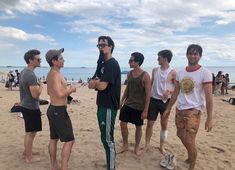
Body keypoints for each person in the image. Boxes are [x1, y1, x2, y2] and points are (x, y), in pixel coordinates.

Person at [163, 44, 213, 170]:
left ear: (200, 56)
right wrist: (168, 108)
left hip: (193, 112)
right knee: (180, 134)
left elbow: (208, 96)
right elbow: (175, 93)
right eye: (190, 53)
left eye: (195, 53)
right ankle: (191, 156)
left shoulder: (205, 73)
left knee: (190, 140)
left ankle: (192, 165)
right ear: (186, 55)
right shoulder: (181, 72)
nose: (192, 55)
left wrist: (209, 118)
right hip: (179, 109)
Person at [88, 36, 121, 170]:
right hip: (101, 104)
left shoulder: (112, 64)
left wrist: (97, 83)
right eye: (99, 45)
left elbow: (101, 86)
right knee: (104, 138)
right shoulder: (102, 64)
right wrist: (98, 83)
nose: (101, 47)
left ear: (110, 46)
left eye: (103, 45)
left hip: (108, 105)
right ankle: (110, 163)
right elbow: (91, 84)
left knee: (108, 140)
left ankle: (111, 167)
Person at [45, 48, 76, 170]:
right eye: (61, 58)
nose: (64, 60)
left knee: (54, 138)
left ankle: (54, 165)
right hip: (58, 111)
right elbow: (59, 93)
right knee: (70, 140)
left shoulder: (51, 73)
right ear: (54, 61)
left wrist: (64, 90)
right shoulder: (55, 74)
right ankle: (64, 167)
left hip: (53, 109)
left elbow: (49, 91)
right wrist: (71, 89)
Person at [144, 50, 176, 154]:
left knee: (164, 125)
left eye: (159, 57)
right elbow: (151, 84)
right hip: (153, 100)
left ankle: (162, 146)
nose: (157, 59)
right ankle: (147, 144)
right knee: (150, 124)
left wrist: (170, 91)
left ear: (165, 58)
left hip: (165, 102)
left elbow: (178, 88)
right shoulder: (154, 70)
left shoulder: (173, 72)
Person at [118, 52, 151, 156]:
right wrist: (122, 100)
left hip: (139, 106)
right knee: (123, 124)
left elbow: (148, 94)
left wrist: (146, 110)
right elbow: (127, 88)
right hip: (128, 104)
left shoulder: (145, 75)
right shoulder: (129, 73)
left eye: (131, 60)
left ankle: (136, 147)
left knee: (138, 127)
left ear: (137, 62)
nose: (129, 62)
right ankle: (125, 145)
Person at [19, 49, 43, 163]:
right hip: (30, 106)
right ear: (30, 60)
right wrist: (42, 86)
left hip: (25, 105)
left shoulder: (24, 72)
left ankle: (26, 152)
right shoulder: (30, 75)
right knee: (31, 132)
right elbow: (35, 95)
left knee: (29, 131)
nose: (40, 60)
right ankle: (29, 157)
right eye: (38, 59)